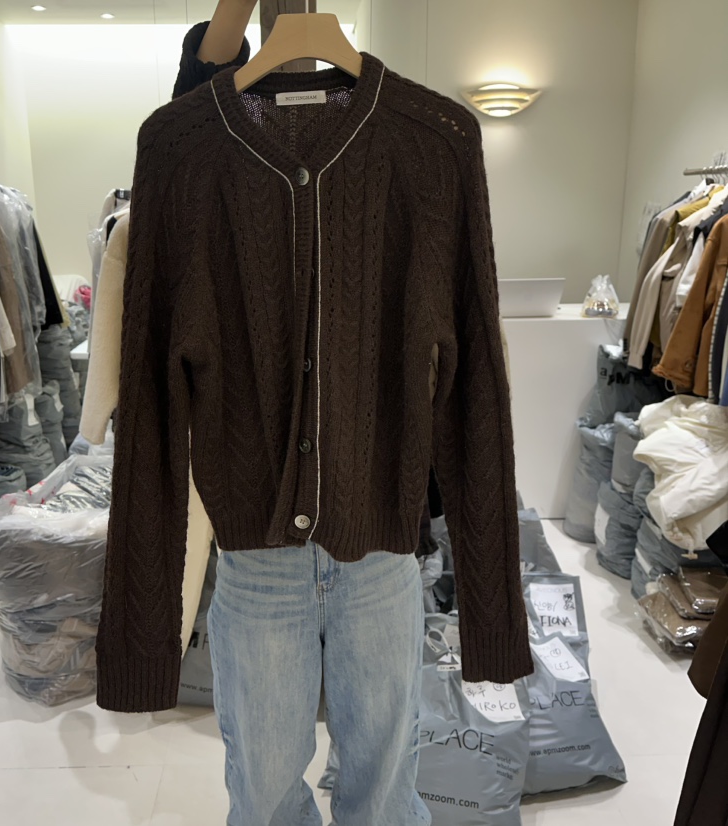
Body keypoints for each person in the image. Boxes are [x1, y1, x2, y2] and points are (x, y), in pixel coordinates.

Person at [101, 3, 532, 824]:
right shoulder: (180, 149)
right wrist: (141, 640)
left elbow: (474, 383)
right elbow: (149, 407)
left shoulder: (435, 142)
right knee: (263, 795)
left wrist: (492, 618)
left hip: (383, 559)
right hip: (256, 564)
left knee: (384, 796)